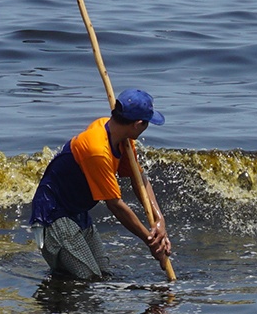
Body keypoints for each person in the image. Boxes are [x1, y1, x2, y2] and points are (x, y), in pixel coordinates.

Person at [29, 88, 171, 280]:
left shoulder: (121, 138)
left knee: (104, 275)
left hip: (77, 211)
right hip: (54, 215)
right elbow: (115, 205)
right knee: (88, 278)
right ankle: (55, 305)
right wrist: (151, 243)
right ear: (138, 124)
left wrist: (159, 222)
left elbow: (139, 179)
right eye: (147, 123)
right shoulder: (98, 149)